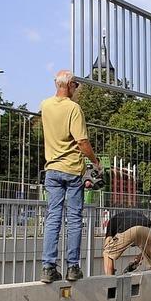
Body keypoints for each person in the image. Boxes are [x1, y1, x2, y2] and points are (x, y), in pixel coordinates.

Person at [40, 70, 101, 283]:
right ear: (70, 85)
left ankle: (48, 268)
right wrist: (95, 161)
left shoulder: (45, 105)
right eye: (76, 85)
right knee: (74, 219)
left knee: (53, 218)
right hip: (73, 170)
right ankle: (73, 268)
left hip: (52, 169)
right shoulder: (74, 108)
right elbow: (82, 142)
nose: (76, 89)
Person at [103, 210, 151, 275]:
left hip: (128, 229)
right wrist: (140, 257)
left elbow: (107, 243)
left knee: (107, 253)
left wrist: (111, 269)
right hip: (149, 231)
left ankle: (110, 282)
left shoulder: (111, 222)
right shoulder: (138, 215)